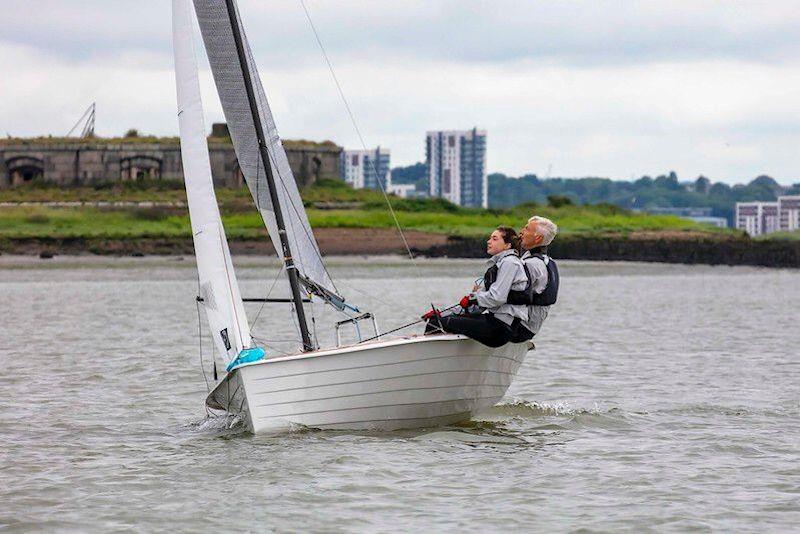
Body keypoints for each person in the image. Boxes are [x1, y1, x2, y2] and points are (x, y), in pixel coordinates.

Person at [424, 226, 529, 347]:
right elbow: (478, 306)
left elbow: (497, 298)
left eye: (494, 239)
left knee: (437, 324)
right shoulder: (500, 265)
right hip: (494, 322)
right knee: (436, 320)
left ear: (507, 245)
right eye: (490, 238)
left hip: (501, 328)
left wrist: (473, 298)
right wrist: (441, 313)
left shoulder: (510, 263)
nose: (488, 241)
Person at [507, 216, 559, 341]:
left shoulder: (532, 264)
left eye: (527, 229)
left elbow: (503, 292)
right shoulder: (547, 261)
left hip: (519, 327)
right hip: (530, 326)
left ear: (538, 238)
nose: (521, 232)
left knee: (454, 321)